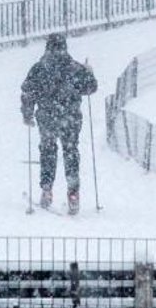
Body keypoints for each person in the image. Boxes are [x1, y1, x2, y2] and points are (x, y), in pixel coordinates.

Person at [20, 32, 97, 215]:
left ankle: (46, 189)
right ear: (65, 47)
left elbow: (28, 92)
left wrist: (28, 113)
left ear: (48, 47)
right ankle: (73, 192)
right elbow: (90, 88)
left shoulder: (39, 69)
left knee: (48, 150)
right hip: (70, 117)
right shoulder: (75, 68)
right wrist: (89, 72)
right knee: (71, 151)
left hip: (47, 116)